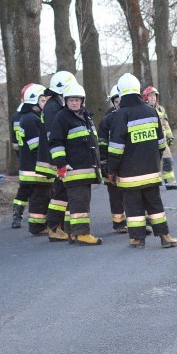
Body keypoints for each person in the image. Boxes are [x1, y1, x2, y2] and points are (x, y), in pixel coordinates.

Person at [108, 73, 177, 249]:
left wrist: (111, 170)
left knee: (133, 208)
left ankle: (137, 239)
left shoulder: (119, 115)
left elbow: (116, 148)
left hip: (129, 175)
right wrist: (155, 160)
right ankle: (164, 236)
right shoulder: (151, 110)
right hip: (151, 171)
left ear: (121, 93)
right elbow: (161, 143)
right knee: (155, 204)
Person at [48, 81, 103, 246]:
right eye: (71, 100)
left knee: (76, 201)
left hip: (85, 169)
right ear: (65, 101)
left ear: (82, 101)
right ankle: (82, 233)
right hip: (74, 169)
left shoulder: (85, 116)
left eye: (77, 100)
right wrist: (61, 164)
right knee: (80, 201)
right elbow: (56, 143)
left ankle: (72, 232)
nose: (74, 102)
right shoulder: (62, 117)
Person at [39, 70, 77, 242]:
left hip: (57, 156)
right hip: (57, 158)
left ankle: (59, 226)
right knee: (61, 192)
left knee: (62, 191)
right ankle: (54, 227)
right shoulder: (53, 107)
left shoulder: (54, 104)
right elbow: (54, 136)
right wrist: (61, 161)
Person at [16, 83, 53, 235]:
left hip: (30, 167)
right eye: (43, 100)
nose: (45, 103)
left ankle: (39, 225)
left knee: (41, 197)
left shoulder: (28, 117)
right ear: (34, 101)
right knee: (40, 198)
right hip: (35, 169)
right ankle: (37, 227)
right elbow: (37, 146)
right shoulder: (31, 119)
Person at [98, 85, 127, 233]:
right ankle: (119, 223)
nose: (119, 105)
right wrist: (104, 164)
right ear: (113, 103)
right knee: (115, 194)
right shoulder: (106, 121)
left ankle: (136, 220)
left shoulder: (130, 115)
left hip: (129, 163)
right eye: (117, 102)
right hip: (111, 163)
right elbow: (102, 145)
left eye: (122, 101)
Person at [143, 86, 177, 188]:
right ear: (145, 97)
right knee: (152, 163)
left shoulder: (161, 109)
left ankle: (170, 183)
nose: (153, 98)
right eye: (150, 96)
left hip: (163, 140)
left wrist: (170, 136)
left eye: (154, 95)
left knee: (168, 160)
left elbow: (166, 124)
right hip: (150, 141)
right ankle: (151, 184)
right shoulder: (143, 110)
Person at [9, 85, 32, 228]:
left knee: (24, 188)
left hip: (23, 159)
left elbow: (15, 143)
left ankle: (17, 216)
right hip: (32, 158)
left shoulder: (16, 117)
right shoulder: (31, 116)